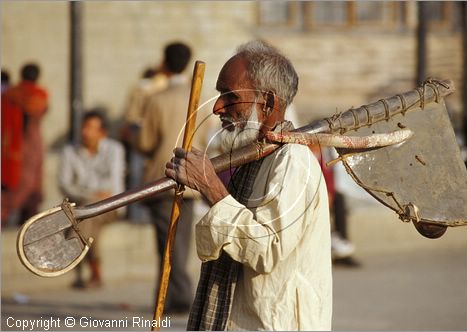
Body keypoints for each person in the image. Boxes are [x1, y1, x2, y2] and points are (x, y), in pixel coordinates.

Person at [165, 40, 332, 330]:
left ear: (267, 103)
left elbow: (268, 250)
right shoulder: (251, 156)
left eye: (229, 97)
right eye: (219, 96)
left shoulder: (293, 160)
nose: (217, 108)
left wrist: (211, 189)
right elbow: (214, 248)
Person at [136, 41, 201, 314]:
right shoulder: (198, 99)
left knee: (167, 243)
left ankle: (179, 295)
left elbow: (145, 142)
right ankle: (172, 297)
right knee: (178, 241)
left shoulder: (157, 99)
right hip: (192, 181)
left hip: (164, 179)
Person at [58, 109, 125, 288]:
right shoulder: (69, 151)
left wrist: (86, 192)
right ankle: (96, 274)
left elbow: (112, 188)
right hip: (82, 207)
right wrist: (91, 194)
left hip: (111, 206)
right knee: (89, 219)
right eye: (84, 127)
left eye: (90, 128)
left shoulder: (114, 150)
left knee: (87, 216)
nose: (85, 132)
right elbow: (64, 184)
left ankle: (70, 251)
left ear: (102, 133)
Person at [1, 63, 48, 226]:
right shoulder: (36, 94)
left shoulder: (12, 93)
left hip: (15, 142)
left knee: (29, 182)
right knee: (25, 182)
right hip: (25, 143)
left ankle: (26, 219)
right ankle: (6, 215)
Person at [121, 67, 167, 222]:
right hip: (142, 136)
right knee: (136, 175)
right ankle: (136, 216)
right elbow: (132, 116)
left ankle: (143, 217)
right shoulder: (140, 90)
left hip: (153, 137)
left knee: (147, 178)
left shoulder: (157, 89)